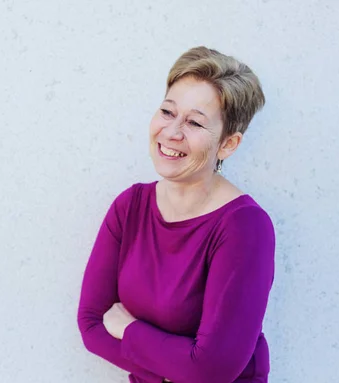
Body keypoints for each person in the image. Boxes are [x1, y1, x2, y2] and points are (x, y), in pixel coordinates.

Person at [76, 46, 275, 383]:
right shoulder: (130, 206)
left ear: (228, 144)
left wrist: (131, 331)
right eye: (168, 112)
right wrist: (177, 367)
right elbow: (91, 325)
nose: (172, 132)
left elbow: (212, 370)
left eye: (195, 122)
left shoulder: (245, 227)